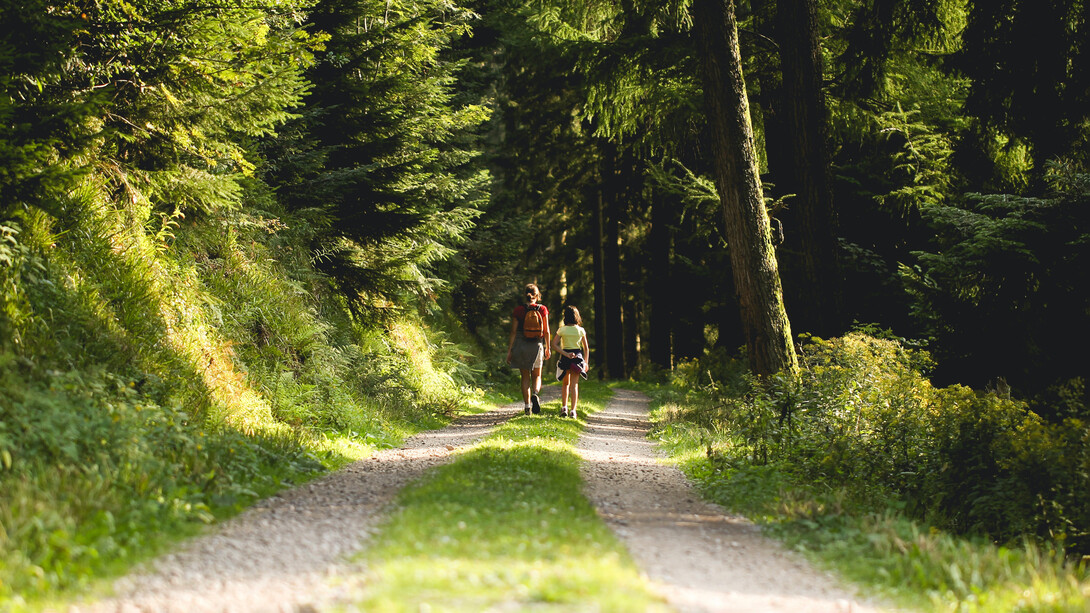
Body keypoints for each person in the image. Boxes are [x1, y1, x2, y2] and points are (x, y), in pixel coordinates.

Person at [506, 283, 551, 414]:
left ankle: (527, 407)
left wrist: (510, 350)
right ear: (538, 295)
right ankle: (535, 394)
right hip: (537, 344)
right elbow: (547, 330)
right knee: (537, 376)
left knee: (525, 377)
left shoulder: (518, 310)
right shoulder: (542, 309)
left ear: (525, 295)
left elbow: (513, 332)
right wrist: (548, 347)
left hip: (521, 345)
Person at [551, 305, 589, 419]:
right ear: (577, 316)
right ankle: (573, 411)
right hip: (577, 358)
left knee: (565, 384)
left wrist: (565, 353)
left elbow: (554, 345)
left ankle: (564, 408)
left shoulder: (562, 330)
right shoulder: (580, 330)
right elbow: (586, 348)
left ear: (565, 317)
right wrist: (586, 362)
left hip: (565, 357)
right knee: (574, 385)